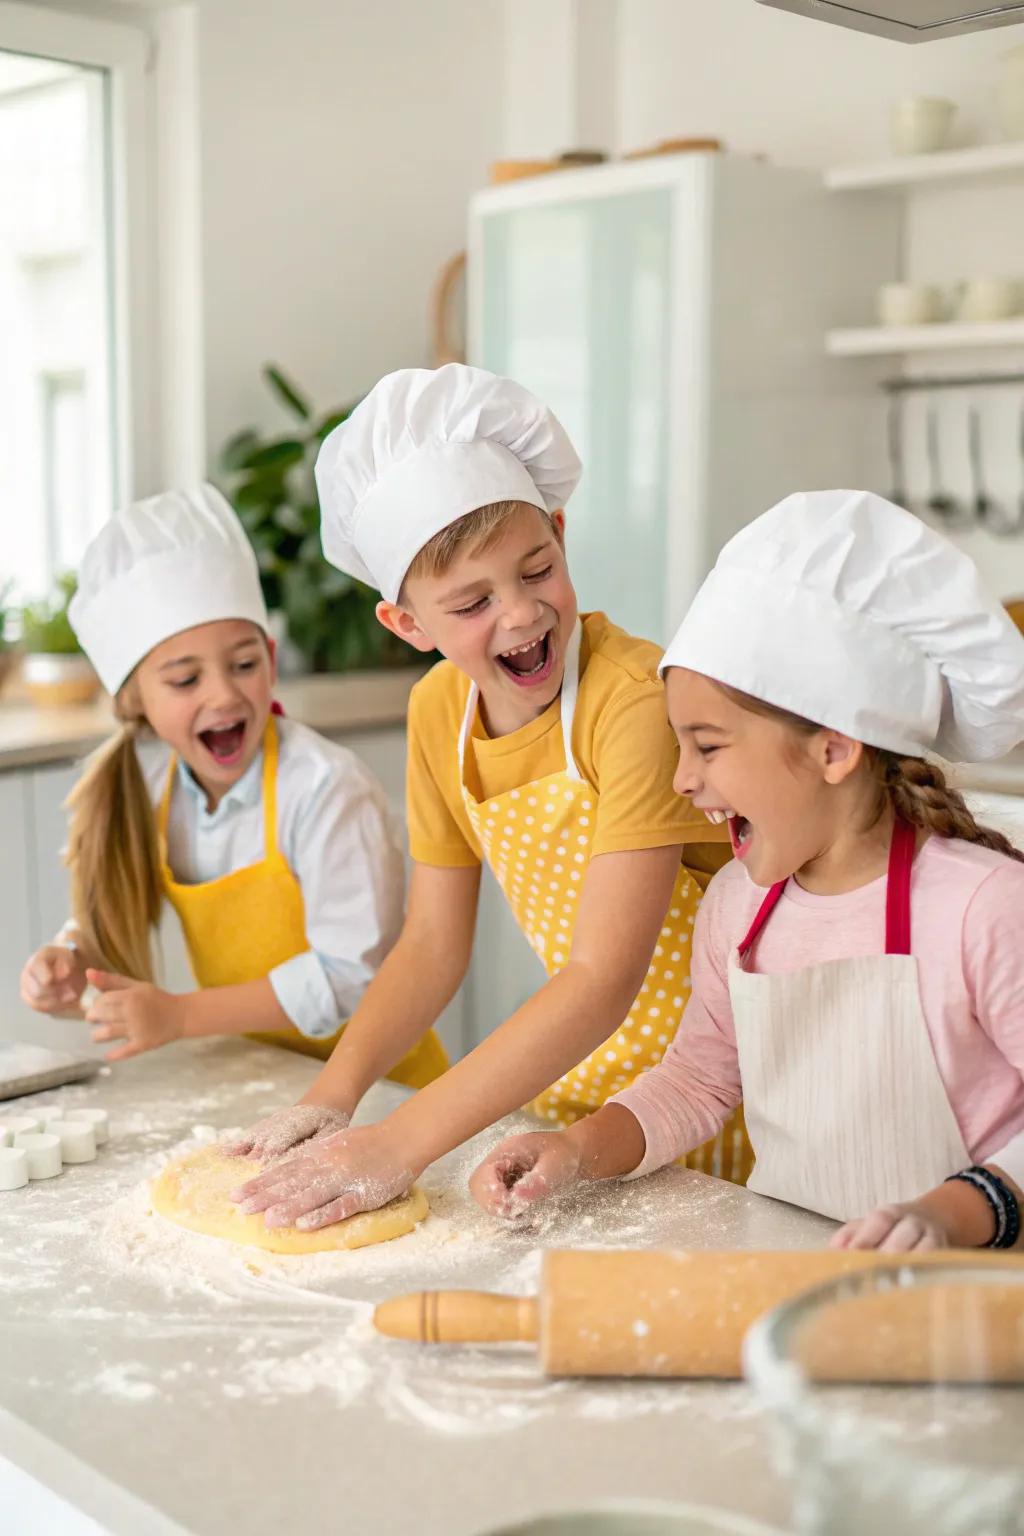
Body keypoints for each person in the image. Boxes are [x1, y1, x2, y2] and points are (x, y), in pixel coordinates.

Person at [227, 364, 745, 1228]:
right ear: (408, 625)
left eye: (537, 569)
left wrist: (399, 1144)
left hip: (720, 1099)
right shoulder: (440, 713)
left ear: (562, 537)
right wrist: (335, 1095)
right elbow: (431, 945)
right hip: (581, 1104)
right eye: (471, 602)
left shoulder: (634, 702)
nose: (520, 614)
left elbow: (601, 979)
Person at [470, 489, 1024, 1254]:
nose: (682, 780)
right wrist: (575, 1152)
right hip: (792, 1269)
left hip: (974, 1293)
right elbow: (697, 1084)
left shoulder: (980, 907)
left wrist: (957, 1212)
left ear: (834, 749)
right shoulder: (737, 907)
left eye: (708, 745)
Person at [20, 485, 445, 1089]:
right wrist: (72, 960)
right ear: (137, 699)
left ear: (270, 658)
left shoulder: (325, 789)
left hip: (384, 1088)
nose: (223, 694)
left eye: (244, 664)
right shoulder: (151, 790)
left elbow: (352, 977)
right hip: (264, 1079)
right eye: (185, 679)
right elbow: (110, 917)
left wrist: (181, 1014)